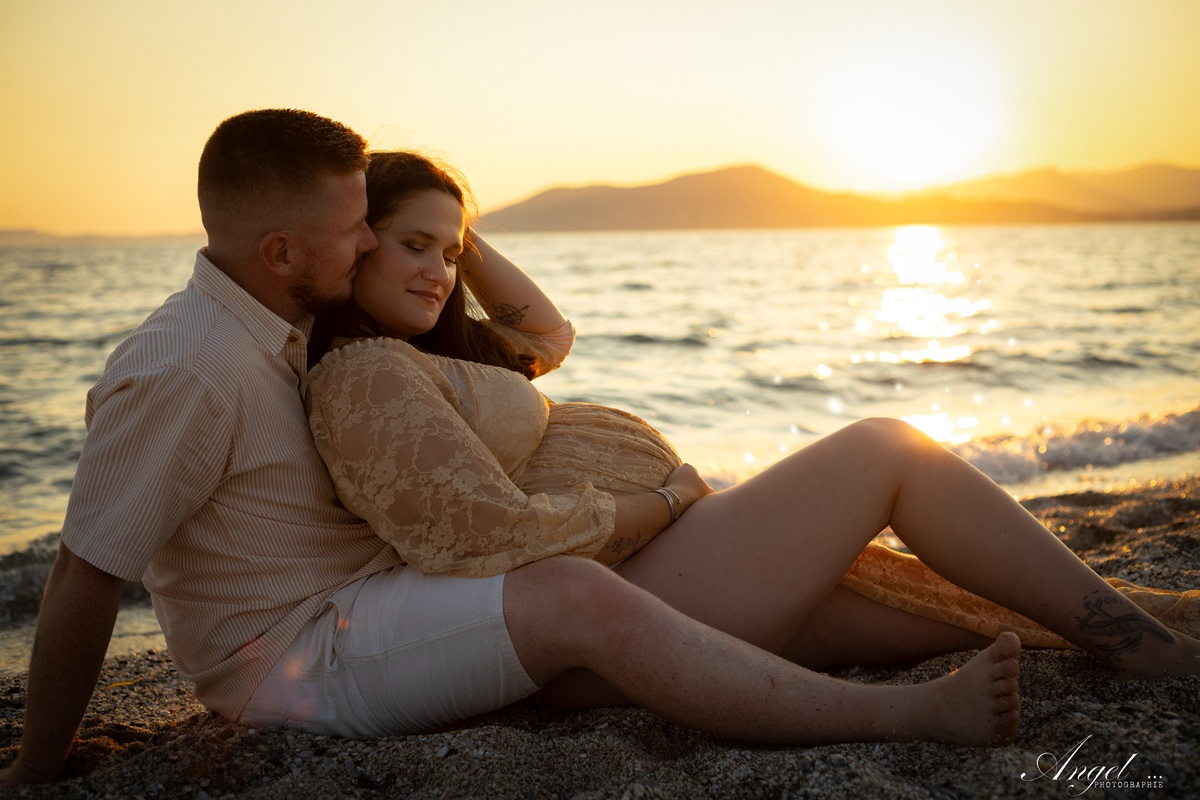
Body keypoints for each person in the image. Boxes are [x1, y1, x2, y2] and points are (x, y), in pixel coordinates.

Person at [0, 110, 1030, 790]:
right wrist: (42, 762)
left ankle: (1052, 618)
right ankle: (907, 717)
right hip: (294, 653)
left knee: (784, 594)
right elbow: (90, 566)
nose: (370, 243)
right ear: (279, 250)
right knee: (575, 600)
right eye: (359, 227)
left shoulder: (294, 327)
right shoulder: (185, 364)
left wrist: (449, 225)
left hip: (384, 600)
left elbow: (538, 333)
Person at [305, 151, 1200, 716]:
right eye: (412, 246)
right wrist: (662, 502)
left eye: (449, 254)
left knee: (920, 611)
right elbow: (483, 535)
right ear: (354, 247)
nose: (439, 271)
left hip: (656, 586)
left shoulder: (426, 350)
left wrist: (457, 219)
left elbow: (545, 334)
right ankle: (1149, 651)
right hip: (613, 606)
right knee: (886, 449)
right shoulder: (365, 373)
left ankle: (1125, 631)